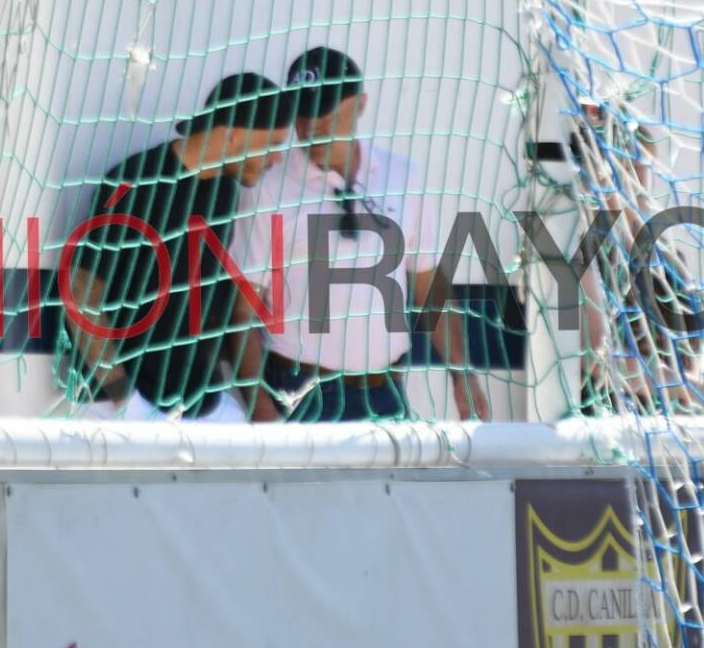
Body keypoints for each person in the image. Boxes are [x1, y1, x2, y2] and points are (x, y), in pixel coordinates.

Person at [227, 47, 491, 422]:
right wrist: (260, 409)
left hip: (383, 393)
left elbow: (429, 287)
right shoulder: (267, 185)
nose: (313, 123)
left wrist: (462, 376)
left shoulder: (403, 176)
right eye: (303, 111)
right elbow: (242, 308)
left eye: (326, 110)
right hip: (298, 394)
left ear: (361, 104)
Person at [61, 72, 293, 422]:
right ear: (232, 134)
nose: (276, 159)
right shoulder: (135, 181)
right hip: (122, 405)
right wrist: (125, 399)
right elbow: (81, 291)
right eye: (271, 144)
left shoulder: (225, 193)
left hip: (197, 406)